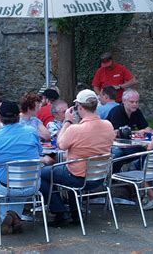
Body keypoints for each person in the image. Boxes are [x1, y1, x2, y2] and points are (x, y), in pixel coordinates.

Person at [39, 90, 115, 227]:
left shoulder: (75, 129)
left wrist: (67, 121)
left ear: (79, 107)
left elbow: (60, 144)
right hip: (99, 177)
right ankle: (75, 211)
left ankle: (59, 211)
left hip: (78, 178)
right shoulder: (108, 125)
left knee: (41, 174)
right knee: (68, 168)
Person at [0, 101, 42, 235]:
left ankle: (7, 216)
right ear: (18, 117)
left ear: (0, 118)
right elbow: (39, 151)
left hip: (7, 185)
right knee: (18, 180)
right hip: (32, 184)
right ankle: (14, 217)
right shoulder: (32, 132)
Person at [107, 89, 151, 172]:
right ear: (124, 101)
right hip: (112, 144)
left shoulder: (137, 112)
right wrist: (137, 132)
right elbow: (116, 133)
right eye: (132, 102)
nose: (135, 104)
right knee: (118, 154)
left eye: (137, 102)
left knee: (146, 151)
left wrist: (147, 131)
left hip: (129, 144)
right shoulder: (116, 111)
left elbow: (147, 128)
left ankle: (135, 172)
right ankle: (113, 177)